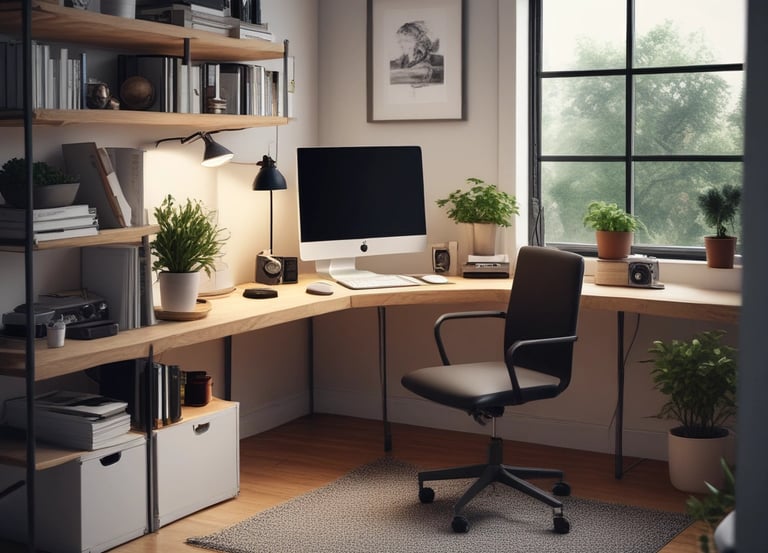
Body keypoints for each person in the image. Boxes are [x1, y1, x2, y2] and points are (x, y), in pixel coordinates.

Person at [390, 21, 444, 86]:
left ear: (418, 43)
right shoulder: (401, 61)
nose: (402, 44)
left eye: (407, 41)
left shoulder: (424, 66)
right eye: (400, 41)